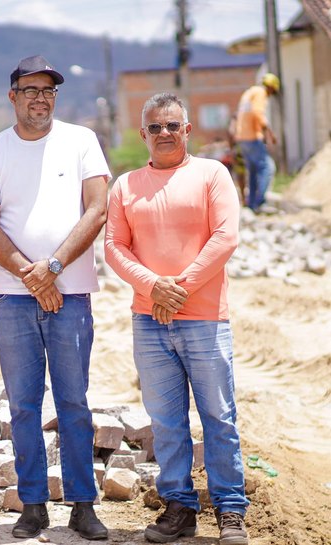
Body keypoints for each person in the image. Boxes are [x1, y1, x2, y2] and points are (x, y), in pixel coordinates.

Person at [0, 55, 110, 541]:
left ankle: (83, 506)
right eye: (30, 90)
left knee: (73, 402)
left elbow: (97, 210)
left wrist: (51, 269)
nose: (39, 98)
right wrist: (32, 277)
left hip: (70, 295)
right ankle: (33, 505)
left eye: (48, 91)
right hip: (13, 299)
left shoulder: (81, 141)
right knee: (24, 405)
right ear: (13, 96)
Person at [104, 92, 248, 545]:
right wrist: (153, 287)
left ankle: (230, 510)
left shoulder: (212, 175)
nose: (164, 134)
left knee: (218, 417)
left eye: (173, 126)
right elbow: (114, 246)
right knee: (166, 422)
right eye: (155, 127)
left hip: (204, 319)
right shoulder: (125, 186)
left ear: (187, 130)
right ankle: (179, 508)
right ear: (143, 133)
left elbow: (225, 238)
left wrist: (177, 287)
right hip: (149, 321)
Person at [235, 72, 279, 212]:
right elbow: (257, 113)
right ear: (271, 87)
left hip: (242, 137)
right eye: (272, 91)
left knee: (253, 171)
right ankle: (260, 202)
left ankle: (252, 204)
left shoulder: (248, 93)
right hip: (253, 138)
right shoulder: (260, 93)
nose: (271, 94)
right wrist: (269, 132)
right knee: (267, 168)